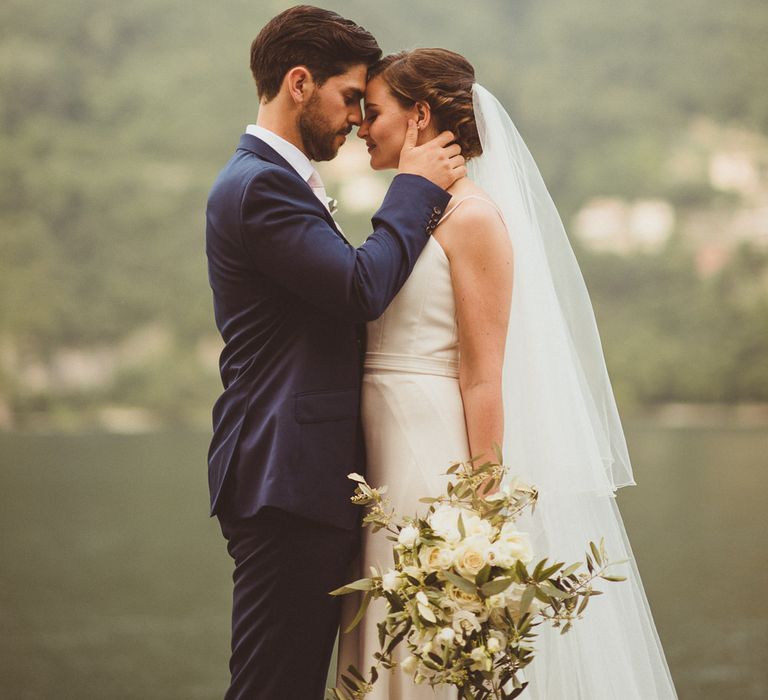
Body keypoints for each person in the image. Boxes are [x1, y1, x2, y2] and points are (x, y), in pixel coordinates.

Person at [336, 49, 678, 699]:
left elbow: (483, 377)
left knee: (429, 641)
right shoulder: (407, 218)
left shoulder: (475, 219)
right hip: (377, 470)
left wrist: (483, 515)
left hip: (427, 463)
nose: (359, 126)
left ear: (420, 116)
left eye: (372, 112)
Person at [204, 8, 466, 699]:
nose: (355, 118)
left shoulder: (272, 181)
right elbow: (358, 286)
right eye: (350, 96)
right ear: (298, 82)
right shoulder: (259, 185)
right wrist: (415, 185)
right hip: (284, 477)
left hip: (301, 476)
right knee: (273, 686)